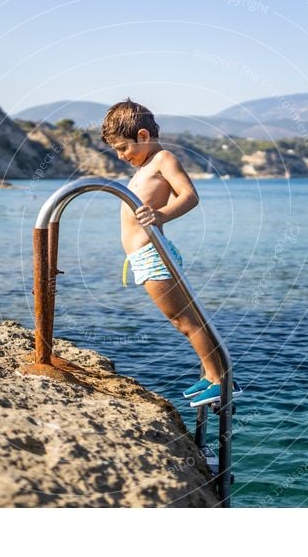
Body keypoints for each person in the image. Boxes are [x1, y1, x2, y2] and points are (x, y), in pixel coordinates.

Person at [101, 99, 231, 407]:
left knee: (184, 319)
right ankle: (211, 375)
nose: (121, 156)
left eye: (123, 148)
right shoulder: (147, 163)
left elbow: (189, 195)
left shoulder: (163, 159)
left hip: (153, 254)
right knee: (185, 319)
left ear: (143, 136)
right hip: (144, 256)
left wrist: (162, 215)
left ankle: (221, 380)